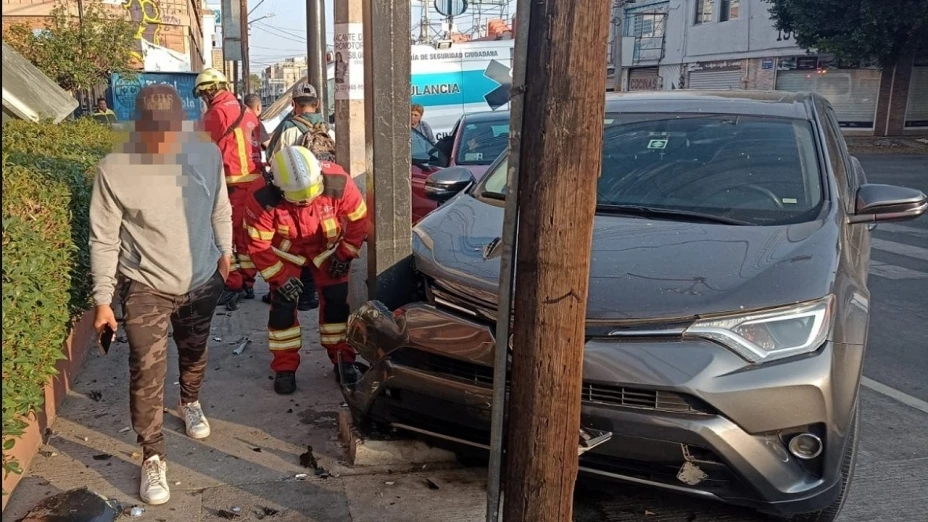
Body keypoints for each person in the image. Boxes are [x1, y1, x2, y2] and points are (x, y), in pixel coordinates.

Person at [90, 84, 232, 506]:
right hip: (145, 286)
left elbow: (219, 208)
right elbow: (104, 240)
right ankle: (152, 454)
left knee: (194, 352)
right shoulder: (114, 169)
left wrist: (227, 254)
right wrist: (103, 299)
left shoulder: (205, 154)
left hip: (202, 279)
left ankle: (190, 400)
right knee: (146, 371)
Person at [242, 141, 368, 395]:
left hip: (328, 251)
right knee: (283, 309)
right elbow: (258, 244)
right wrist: (278, 277)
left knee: (336, 306)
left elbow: (359, 220)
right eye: (299, 195)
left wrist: (344, 255)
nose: (308, 198)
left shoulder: (337, 181)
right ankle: (284, 368)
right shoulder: (262, 196)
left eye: (311, 190)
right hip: (286, 255)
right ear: (277, 185)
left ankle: (343, 360)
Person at [195, 68, 266, 310]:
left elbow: (200, 149)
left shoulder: (216, 113)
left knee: (229, 237)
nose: (204, 98)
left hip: (232, 184)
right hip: (255, 183)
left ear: (209, 91)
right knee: (246, 237)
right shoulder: (246, 111)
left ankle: (233, 283)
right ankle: (247, 282)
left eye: (203, 94)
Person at [263, 81, 327, 311]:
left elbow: (274, 160)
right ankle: (312, 293)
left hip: (292, 195)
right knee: (314, 242)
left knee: (289, 245)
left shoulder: (288, 127)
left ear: (293, 104)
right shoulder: (326, 127)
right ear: (317, 104)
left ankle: (290, 292)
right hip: (319, 195)